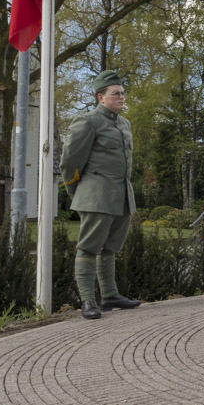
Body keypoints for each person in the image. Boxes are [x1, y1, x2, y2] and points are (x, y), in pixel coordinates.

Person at [60, 70, 141, 320]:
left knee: (110, 249)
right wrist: (78, 191)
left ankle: (110, 295)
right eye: (115, 94)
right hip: (97, 195)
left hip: (121, 196)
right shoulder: (88, 121)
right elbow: (70, 162)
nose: (121, 97)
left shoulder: (123, 123)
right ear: (100, 97)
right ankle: (88, 300)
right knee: (88, 249)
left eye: (123, 93)